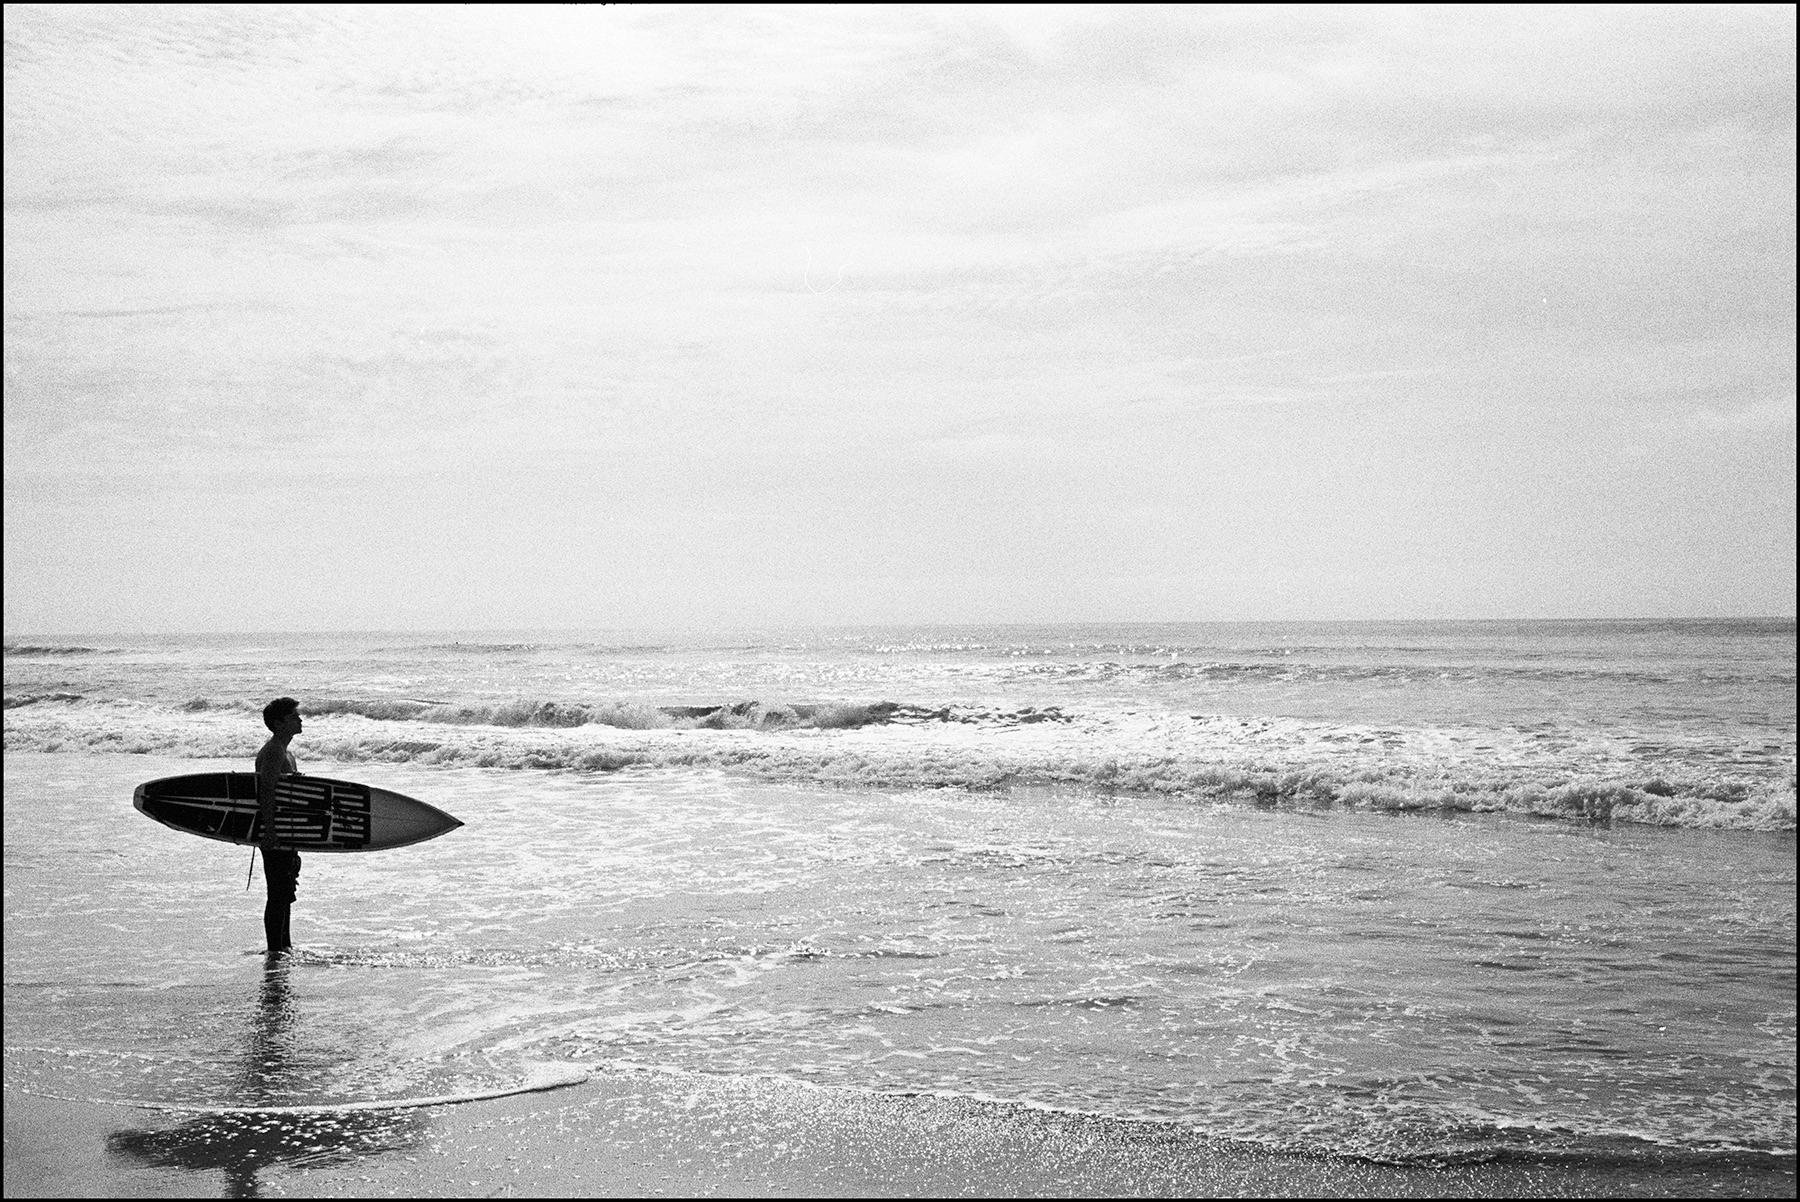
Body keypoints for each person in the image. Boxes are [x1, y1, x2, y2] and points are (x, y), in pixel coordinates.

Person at [255, 697, 304, 954]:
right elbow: (266, 791)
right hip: (274, 831)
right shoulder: (274, 751)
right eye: (294, 716)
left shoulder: (287, 752)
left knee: (285, 889)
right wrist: (271, 831)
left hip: (287, 830)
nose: (300, 719)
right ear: (279, 723)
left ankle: (285, 946)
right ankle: (275, 950)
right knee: (277, 891)